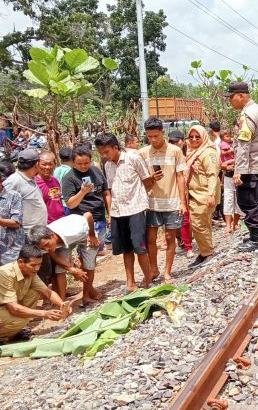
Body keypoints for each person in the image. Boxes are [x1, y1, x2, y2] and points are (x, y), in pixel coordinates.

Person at [0, 244, 72, 349]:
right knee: (22, 318)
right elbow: (14, 309)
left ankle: (12, 332)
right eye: (33, 265)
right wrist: (45, 313)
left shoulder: (30, 272)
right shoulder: (4, 275)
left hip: (0, 310)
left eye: (39, 264)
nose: (37, 268)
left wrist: (62, 304)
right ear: (21, 262)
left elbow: (48, 292)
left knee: (34, 292)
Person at [95, 133, 154, 291]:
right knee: (125, 248)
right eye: (101, 153)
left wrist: (144, 199)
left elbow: (146, 179)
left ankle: (148, 280)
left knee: (139, 246)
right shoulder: (107, 166)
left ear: (116, 148)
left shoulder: (132, 159)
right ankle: (130, 282)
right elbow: (110, 189)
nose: (104, 155)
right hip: (118, 211)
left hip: (135, 208)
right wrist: (110, 213)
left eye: (106, 152)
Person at [139, 117, 188, 283]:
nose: (153, 140)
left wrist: (183, 202)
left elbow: (180, 176)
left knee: (169, 237)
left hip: (172, 201)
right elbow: (141, 179)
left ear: (163, 133)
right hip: (151, 203)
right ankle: (154, 269)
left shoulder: (175, 151)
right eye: (150, 136)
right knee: (150, 238)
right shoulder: (143, 153)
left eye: (156, 136)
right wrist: (151, 179)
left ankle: (167, 271)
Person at [61, 144, 111, 304]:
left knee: (91, 258)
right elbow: (70, 204)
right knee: (88, 260)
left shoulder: (96, 170)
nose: (83, 166)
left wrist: (110, 213)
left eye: (86, 163)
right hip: (79, 223)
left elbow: (105, 192)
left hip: (99, 220)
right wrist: (82, 192)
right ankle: (86, 295)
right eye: (79, 164)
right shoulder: (68, 178)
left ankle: (88, 290)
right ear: (73, 162)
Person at [228, 82, 258, 252]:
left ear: (241, 95)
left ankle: (256, 239)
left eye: (231, 97)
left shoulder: (247, 115)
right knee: (257, 200)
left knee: (248, 202)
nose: (230, 101)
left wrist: (239, 170)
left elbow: (244, 145)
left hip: (251, 166)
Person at [29, 213, 97, 302]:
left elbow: (88, 215)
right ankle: (62, 302)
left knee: (89, 266)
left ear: (53, 236)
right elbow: (54, 255)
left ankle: (86, 297)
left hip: (84, 236)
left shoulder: (76, 229)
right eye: (43, 248)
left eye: (47, 245)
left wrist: (92, 235)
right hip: (63, 243)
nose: (46, 249)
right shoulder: (42, 244)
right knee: (60, 269)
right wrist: (72, 269)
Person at [184, 125, 219, 268]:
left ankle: (208, 252)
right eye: (191, 137)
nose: (193, 139)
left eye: (197, 137)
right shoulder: (192, 152)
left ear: (203, 137)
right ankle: (204, 252)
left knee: (200, 224)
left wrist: (211, 194)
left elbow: (212, 175)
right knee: (199, 224)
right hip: (194, 194)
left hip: (204, 194)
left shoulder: (208, 153)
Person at [219, 129, 242, 233]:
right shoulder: (225, 145)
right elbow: (221, 164)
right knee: (228, 200)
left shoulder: (236, 144)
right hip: (229, 176)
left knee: (237, 200)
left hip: (238, 176)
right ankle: (228, 225)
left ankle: (235, 224)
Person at [35, 151, 66, 224]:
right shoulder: (34, 183)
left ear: (55, 165)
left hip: (61, 221)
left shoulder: (55, 180)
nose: (48, 167)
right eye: (44, 164)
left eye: (51, 164)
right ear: (37, 165)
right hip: (46, 224)